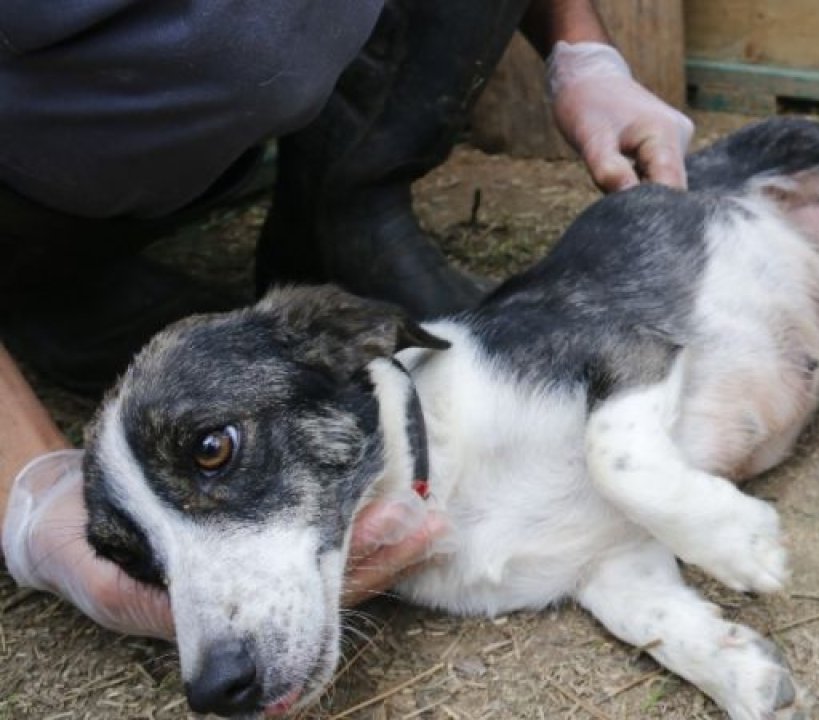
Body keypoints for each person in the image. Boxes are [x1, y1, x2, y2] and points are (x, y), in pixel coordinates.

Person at [0, 0, 694, 640]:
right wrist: (28, 481)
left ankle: (346, 207)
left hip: (223, 130)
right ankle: (53, 275)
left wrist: (578, 50)